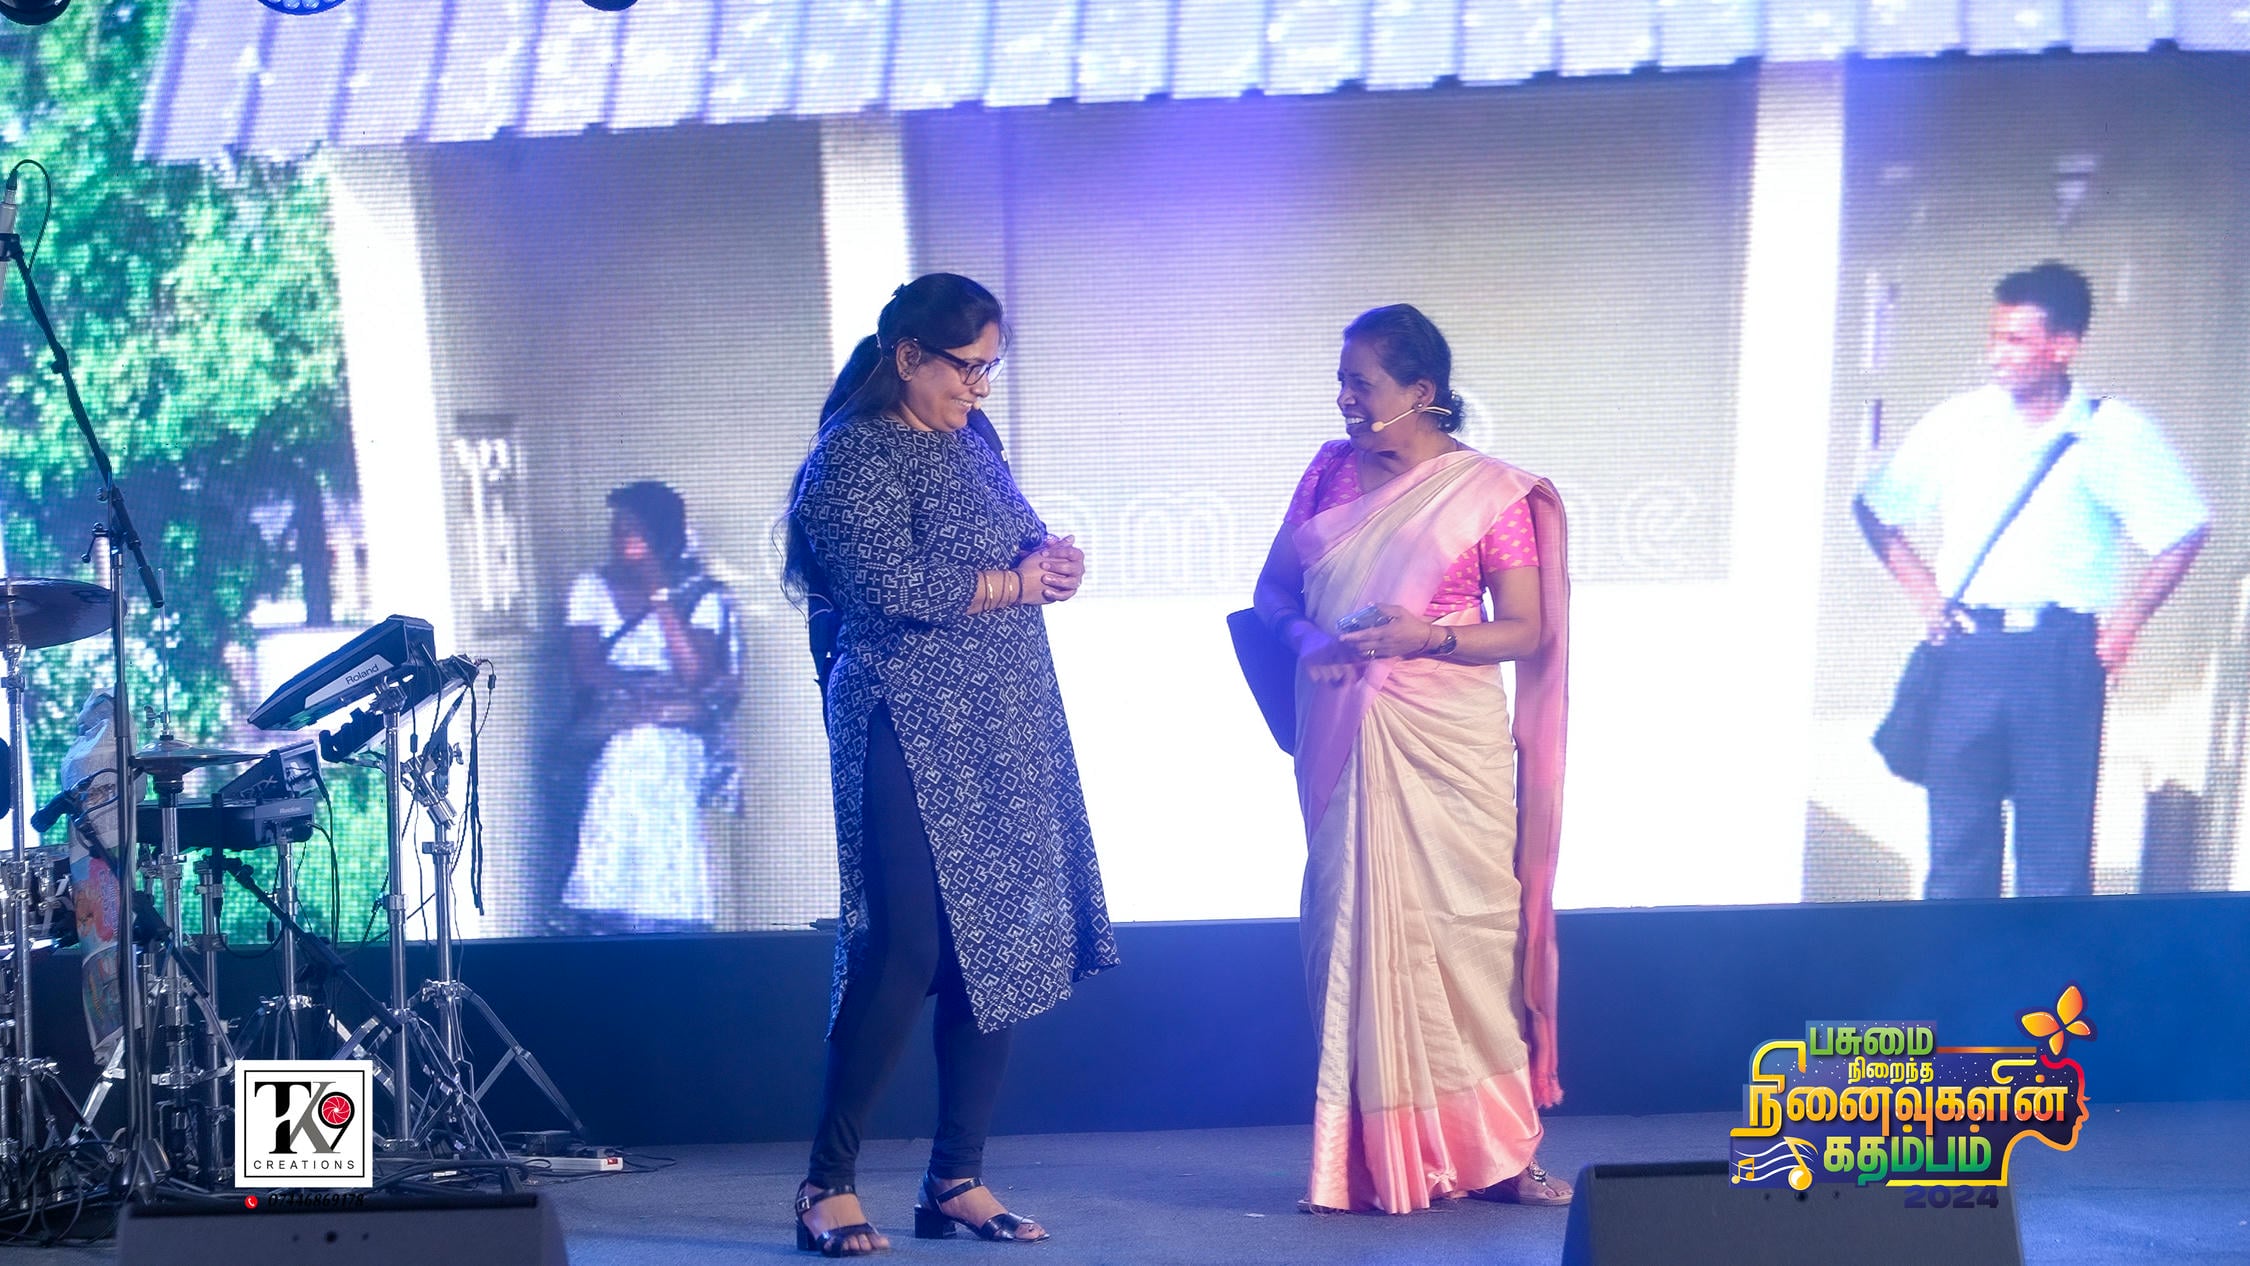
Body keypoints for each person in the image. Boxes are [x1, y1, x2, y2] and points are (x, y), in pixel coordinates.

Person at [783, 273, 1118, 1256]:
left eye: (989, 369)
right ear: (908, 356)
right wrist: (1013, 581)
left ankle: (955, 1180)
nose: (978, 387)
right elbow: (886, 585)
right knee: (907, 947)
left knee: (997, 944)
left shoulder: (975, 438)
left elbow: (1012, 548)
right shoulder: (852, 456)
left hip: (1002, 717)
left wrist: (1051, 565)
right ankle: (827, 1183)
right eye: (966, 367)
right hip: (906, 716)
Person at [1252, 304, 1572, 1215]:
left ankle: (1499, 1156)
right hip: (1342, 729)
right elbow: (1273, 591)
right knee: (1347, 932)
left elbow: (1526, 629)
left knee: (1470, 937)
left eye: (1362, 384)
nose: (1344, 399)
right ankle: (1361, 1160)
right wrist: (1309, 640)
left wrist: (1426, 637)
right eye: (1342, 382)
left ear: (1421, 392)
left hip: (1448, 741)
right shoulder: (1327, 472)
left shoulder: (1491, 495)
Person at [1856, 262, 2209, 899]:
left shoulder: (2111, 432)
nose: (1997, 354)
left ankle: (2043, 971)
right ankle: (1959, 967)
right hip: (1968, 652)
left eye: (2016, 340)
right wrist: (1927, 598)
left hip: (2059, 659)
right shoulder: (1958, 422)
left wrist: (2125, 627)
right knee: (1956, 856)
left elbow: (2183, 529)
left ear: (2063, 346)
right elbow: (1876, 507)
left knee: (2054, 862)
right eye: (1994, 337)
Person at [558, 481, 740, 934]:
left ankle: (651, 910)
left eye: (633, 531)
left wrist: (660, 594)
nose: (621, 541)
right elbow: (585, 671)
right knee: (633, 750)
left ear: (662, 537)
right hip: (612, 724)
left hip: (679, 732)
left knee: (646, 752)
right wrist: (639, 689)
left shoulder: (703, 594)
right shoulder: (591, 589)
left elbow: (696, 675)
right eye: (617, 530)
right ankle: (624, 907)